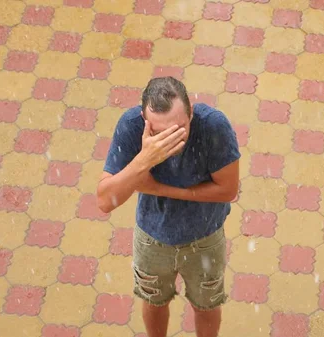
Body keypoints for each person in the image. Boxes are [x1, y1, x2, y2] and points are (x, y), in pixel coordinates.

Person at [96, 76, 240, 337]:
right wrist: (144, 159)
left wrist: (158, 188)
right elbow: (105, 201)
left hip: (205, 239)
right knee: (153, 301)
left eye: (179, 129)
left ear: (191, 112)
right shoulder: (131, 127)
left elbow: (228, 190)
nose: (170, 140)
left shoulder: (214, 127)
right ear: (144, 118)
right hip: (152, 238)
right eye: (159, 133)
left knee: (207, 304)